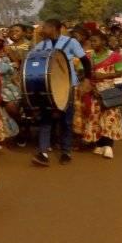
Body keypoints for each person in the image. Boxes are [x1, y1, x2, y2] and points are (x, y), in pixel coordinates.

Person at [32, 19, 91, 166]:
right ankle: (43, 153)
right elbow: (32, 60)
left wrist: (87, 80)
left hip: (67, 86)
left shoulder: (71, 42)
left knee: (66, 120)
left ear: (53, 28)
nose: (42, 29)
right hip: (48, 87)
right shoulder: (41, 45)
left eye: (44, 27)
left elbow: (85, 61)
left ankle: (66, 151)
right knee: (46, 119)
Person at [75, 32, 122, 159]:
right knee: (94, 117)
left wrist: (104, 76)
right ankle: (99, 143)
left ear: (103, 41)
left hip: (108, 91)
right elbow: (81, 73)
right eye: (91, 41)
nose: (92, 43)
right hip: (92, 91)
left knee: (110, 117)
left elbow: (120, 73)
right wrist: (89, 81)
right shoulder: (87, 57)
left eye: (95, 41)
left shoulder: (115, 56)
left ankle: (108, 146)